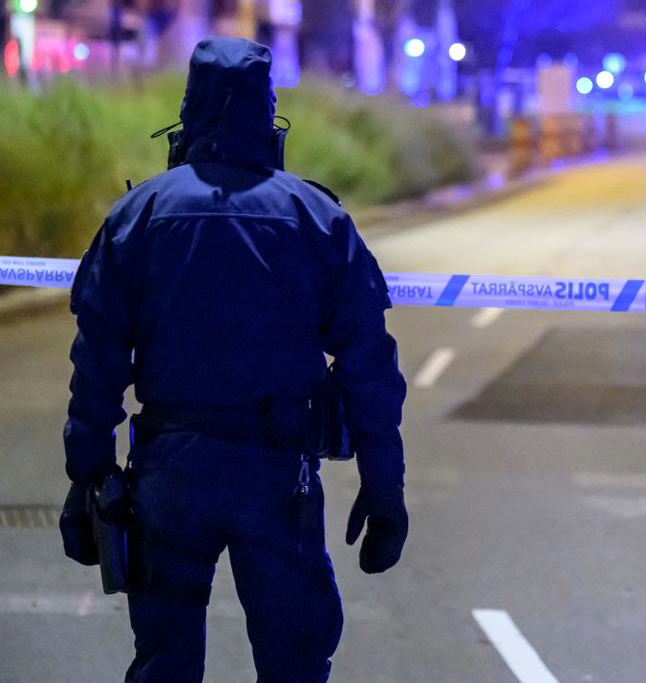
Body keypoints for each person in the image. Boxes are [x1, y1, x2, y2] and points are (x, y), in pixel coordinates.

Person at [58, 37, 408, 683]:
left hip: (169, 468)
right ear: (264, 112)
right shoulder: (314, 214)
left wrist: (88, 472)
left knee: (164, 662)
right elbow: (368, 362)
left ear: (188, 114)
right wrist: (383, 482)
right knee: (295, 661)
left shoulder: (139, 214)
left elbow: (98, 358)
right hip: (279, 474)